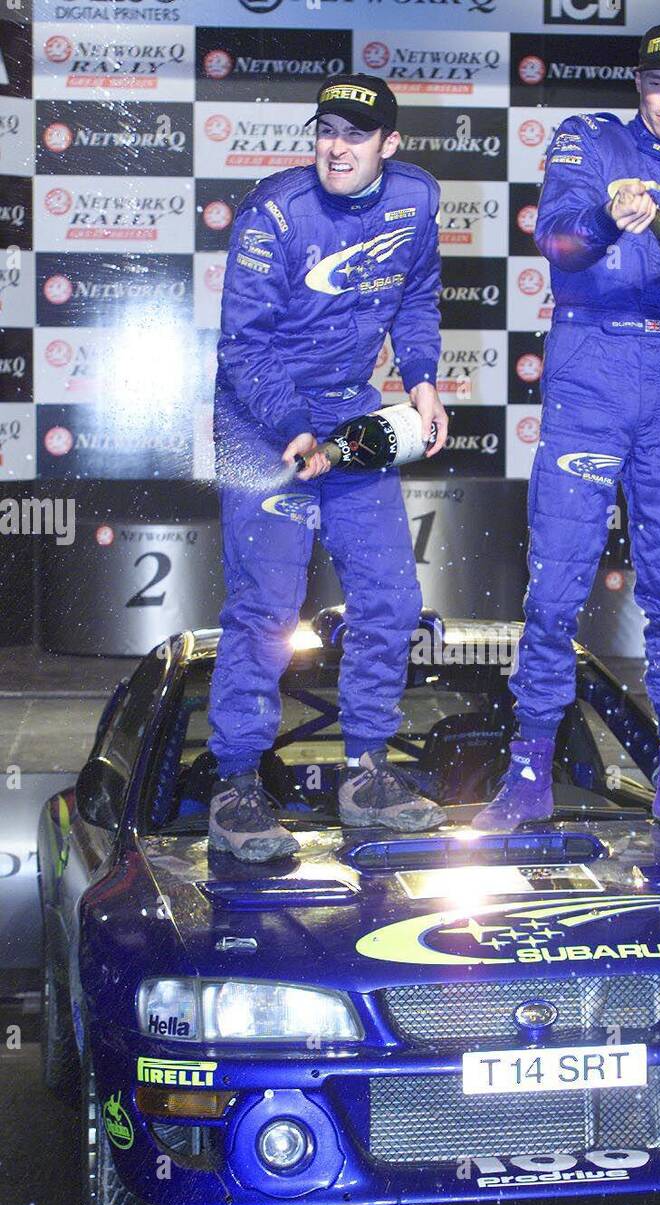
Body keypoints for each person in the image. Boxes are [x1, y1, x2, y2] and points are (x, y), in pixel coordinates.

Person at [474, 24, 660, 839]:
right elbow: (559, 243)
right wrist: (609, 216)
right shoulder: (590, 141)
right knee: (561, 573)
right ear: (639, 84)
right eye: (654, 83)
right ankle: (529, 767)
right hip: (591, 365)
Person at [207, 75, 449, 861]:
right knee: (269, 606)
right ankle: (238, 786)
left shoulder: (416, 199)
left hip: (351, 412)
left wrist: (420, 380)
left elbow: (417, 295)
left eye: (355, 134)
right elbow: (242, 347)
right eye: (326, 132)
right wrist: (299, 431)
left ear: (390, 143)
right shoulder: (274, 214)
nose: (336, 148)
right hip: (260, 417)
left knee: (390, 595)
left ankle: (366, 772)